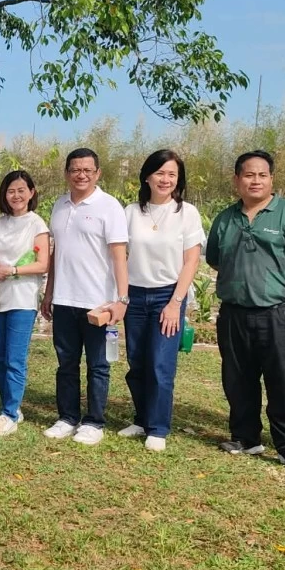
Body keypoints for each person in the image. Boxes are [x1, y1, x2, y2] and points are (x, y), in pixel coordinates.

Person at [205, 149, 285, 470]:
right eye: (248, 175)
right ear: (236, 180)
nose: (255, 180)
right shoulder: (225, 219)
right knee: (237, 378)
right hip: (233, 314)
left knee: (283, 381)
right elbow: (215, 258)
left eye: (262, 175)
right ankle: (245, 436)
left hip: (278, 314)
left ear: (271, 179)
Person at [114, 150, 206, 453]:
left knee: (160, 364)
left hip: (168, 295)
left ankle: (158, 427)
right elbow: (120, 257)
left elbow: (191, 261)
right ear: (147, 176)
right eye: (160, 173)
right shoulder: (130, 212)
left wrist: (174, 303)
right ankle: (141, 419)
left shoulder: (186, 213)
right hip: (135, 295)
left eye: (172, 175)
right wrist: (122, 296)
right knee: (137, 362)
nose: (165, 179)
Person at [40, 148, 129, 446]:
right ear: (66, 173)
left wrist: (122, 299)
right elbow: (56, 255)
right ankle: (67, 417)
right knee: (66, 363)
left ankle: (94, 421)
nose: (81, 175)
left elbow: (119, 257)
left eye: (87, 170)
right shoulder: (60, 206)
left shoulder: (109, 206)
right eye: (75, 169)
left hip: (98, 302)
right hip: (65, 299)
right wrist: (49, 292)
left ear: (98, 173)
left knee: (98, 365)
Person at [0, 170, 49, 436]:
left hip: (21, 298)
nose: (17, 195)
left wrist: (11, 271)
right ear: (4, 194)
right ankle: (12, 406)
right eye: (11, 190)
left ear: (31, 193)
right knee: (0, 358)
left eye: (22, 190)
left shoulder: (37, 224)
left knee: (15, 358)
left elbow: (43, 263)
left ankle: (8, 414)